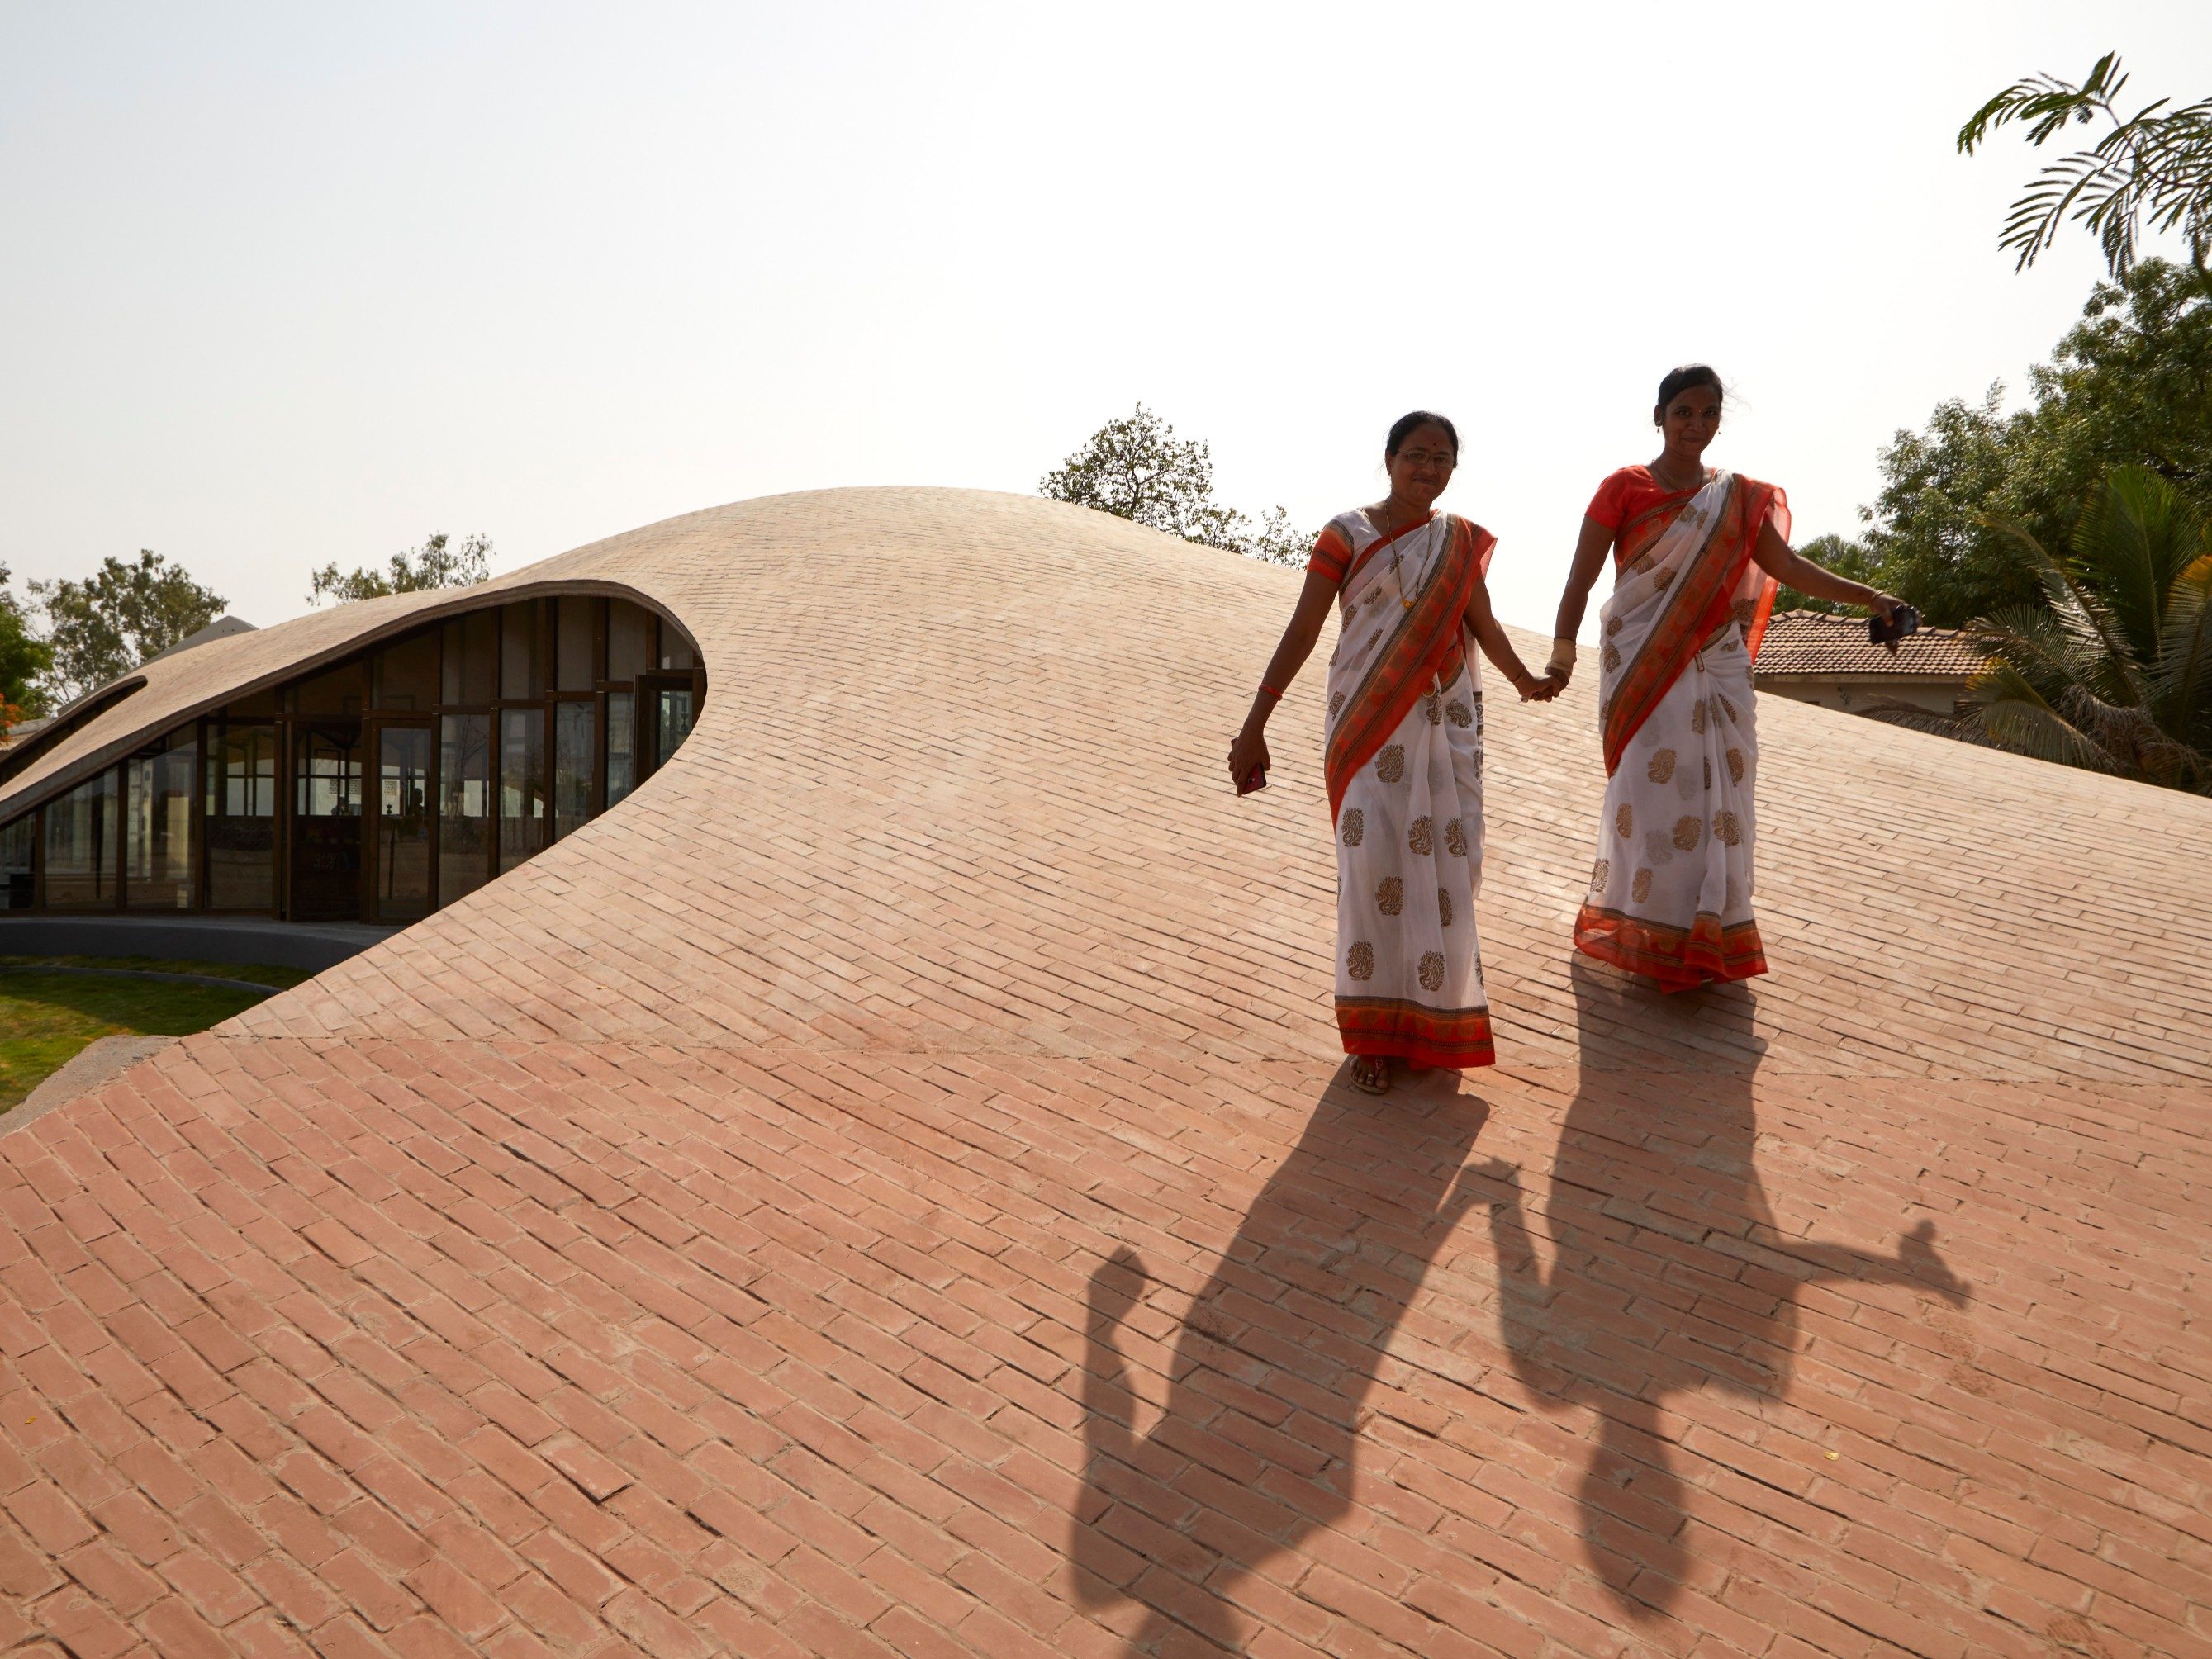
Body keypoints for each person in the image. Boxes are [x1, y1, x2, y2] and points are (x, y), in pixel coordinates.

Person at [1545, 365, 1904, 991]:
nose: (1696, 425)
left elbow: (1787, 565)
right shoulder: (1622, 488)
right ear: (1659, 416)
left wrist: (1868, 595)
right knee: (1654, 798)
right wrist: (1562, 656)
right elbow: (1580, 578)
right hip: (1644, 664)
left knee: (1719, 802)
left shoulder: (1735, 496)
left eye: (1708, 414)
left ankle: (1710, 932)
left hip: (1719, 663)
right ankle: (1650, 931)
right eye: (1684, 412)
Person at [1229, 412, 1555, 1093]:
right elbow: (1304, 628)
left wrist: (1524, 679)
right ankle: (1373, 1037)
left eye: (1441, 459)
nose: (1428, 469)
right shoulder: (1346, 534)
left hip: (1444, 728)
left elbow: (1481, 622)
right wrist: (1256, 720)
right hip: (1367, 729)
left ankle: (1432, 1022)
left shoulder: (1457, 540)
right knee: (1373, 869)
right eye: (1416, 455)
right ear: (1388, 458)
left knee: (1447, 874)